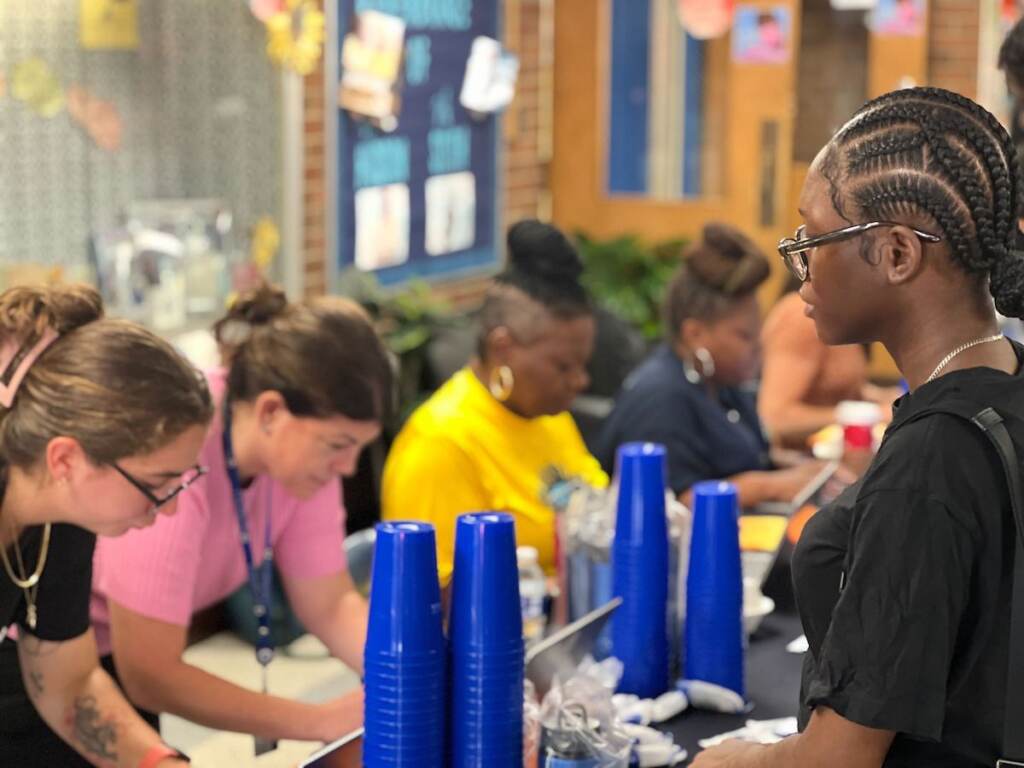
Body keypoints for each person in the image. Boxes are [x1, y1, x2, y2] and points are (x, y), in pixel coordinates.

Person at [693, 87, 1024, 767]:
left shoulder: (933, 458)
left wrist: (731, 759)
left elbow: (835, 760)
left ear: (898, 255)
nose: (801, 263)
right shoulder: (1005, 383)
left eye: (814, 237)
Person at [85, 285, 393, 748]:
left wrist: (406, 678)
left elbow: (329, 603)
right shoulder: (181, 446)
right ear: (271, 411)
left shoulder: (302, 465)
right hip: (65, 657)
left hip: (122, 665)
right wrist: (319, 721)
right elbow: (148, 672)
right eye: (337, 445)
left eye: (358, 448)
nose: (347, 469)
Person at [0, 284, 213, 767]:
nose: (170, 508)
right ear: (66, 459)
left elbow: (68, 685)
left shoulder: (63, 517)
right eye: (156, 482)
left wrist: (160, 762)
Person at [381, 220, 607, 580]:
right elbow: (433, 600)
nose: (580, 381)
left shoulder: (548, 415)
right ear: (503, 347)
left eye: (583, 364)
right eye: (564, 366)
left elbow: (596, 505)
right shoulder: (440, 445)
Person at [595, 224, 824, 507]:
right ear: (695, 334)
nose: (758, 346)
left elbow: (751, 457)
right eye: (744, 335)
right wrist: (769, 486)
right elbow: (673, 504)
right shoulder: (661, 399)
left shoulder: (718, 382)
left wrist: (805, 470)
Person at [758, 275, 900, 448]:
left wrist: (882, 397)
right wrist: (872, 414)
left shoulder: (845, 313)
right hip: (800, 463)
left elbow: (831, 383)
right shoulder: (803, 316)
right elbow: (775, 417)